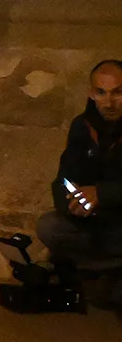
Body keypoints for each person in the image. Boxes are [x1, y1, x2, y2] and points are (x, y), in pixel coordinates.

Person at [37, 61, 122, 293]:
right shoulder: (83, 126)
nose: (109, 103)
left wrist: (101, 194)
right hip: (98, 222)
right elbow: (64, 178)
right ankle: (105, 271)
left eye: (117, 93)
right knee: (49, 226)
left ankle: (97, 274)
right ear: (91, 94)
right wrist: (71, 202)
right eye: (101, 93)